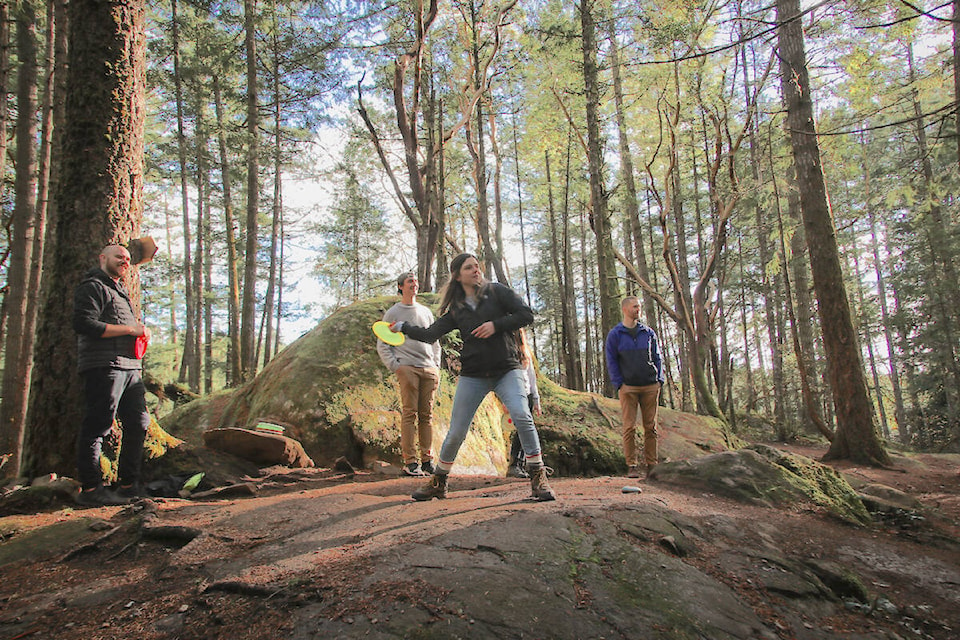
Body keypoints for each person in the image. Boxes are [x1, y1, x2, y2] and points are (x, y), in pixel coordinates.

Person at [391, 253, 555, 501]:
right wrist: (403, 327)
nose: (476, 270)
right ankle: (439, 481)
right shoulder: (458, 309)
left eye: (477, 266)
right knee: (456, 431)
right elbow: (429, 334)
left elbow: (526, 314)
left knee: (522, 415)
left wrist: (496, 325)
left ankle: (538, 478)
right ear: (458, 275)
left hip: (506, 370)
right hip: (474, 375)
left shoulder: (498, 292)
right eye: (469, 268)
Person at [73, 244, 152, 506]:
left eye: (128, 259)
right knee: (98, 426)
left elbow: (129, 328)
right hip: (104, 366)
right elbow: (85, 324)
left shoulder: (121, 292)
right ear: (103, 258)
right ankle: (91, 489)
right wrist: (130, 330)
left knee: (139, 424)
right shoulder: (92, 286)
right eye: (119, 256)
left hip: (132, 369)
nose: (124, 261)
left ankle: (129, 485)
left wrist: (141, 332)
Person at [377, 271, 442, 477]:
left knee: (427, 416)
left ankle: (427, 460)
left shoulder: (425, 312)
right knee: (409, 414)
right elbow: (383, 343)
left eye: (415, 281)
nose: (414, 284)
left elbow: (435, 340)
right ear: (400, 287)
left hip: (428, 368)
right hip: (407, 367)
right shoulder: (393, 313)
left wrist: (436, 366)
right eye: (409, 281)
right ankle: (411, 462)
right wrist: (395, 365)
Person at [605, 296, 665, 479]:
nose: (638, 310)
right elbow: (612, 361)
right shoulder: (616, 335)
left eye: (639, 307)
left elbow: (657, 357)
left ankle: (651, 465)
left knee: (651, 427)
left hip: (650, 385)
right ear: (625, 309)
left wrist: (659, 379)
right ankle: (631, 465)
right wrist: (619, 384)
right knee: (629, 427)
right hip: (628, 387)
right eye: (634, 307)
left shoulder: (648, 333)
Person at [504, 328, 540, 478]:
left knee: (525, 430)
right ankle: (514, 464)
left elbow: (531, 377)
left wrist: (536, 399)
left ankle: (522, 464)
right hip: (515, 395)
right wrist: (505, 399)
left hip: (528, 394)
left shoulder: (526, 354)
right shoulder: (506, 352)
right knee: (521, 431)